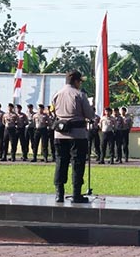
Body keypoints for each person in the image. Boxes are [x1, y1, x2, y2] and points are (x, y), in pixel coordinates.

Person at [51, 71, 94, 203]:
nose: (80, 84)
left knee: (60, 162)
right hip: (77, 135)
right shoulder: (80, 95)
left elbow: (53, 111)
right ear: (76, 81)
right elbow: (90, 115)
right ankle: (76, 194)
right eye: (80, 81)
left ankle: (59, 194)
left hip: (59, 134)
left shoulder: (57, 94)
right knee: (78, 163)